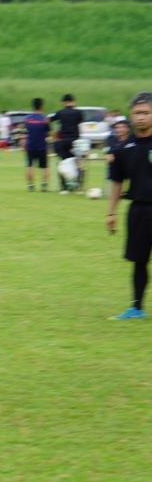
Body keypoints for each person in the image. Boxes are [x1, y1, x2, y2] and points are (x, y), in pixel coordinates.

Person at [107, 92, 152, 320]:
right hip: (139, 210)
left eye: (146, 112)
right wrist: (111, 213)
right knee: (139, 260)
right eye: (136, 113)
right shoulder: (123, 148)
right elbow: (117, 182)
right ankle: (136, 308)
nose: (140, 117)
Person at [50, 94, 84, 193]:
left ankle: (65, 187)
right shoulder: (78, 112)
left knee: (64, 164)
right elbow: (80, 122)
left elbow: (49, 120)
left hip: (64, 140)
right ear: (73, 102)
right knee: (77, 163)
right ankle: (78, 187)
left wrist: (53, 134)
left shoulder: (60, 112)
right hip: (76, 141)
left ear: (64, 103)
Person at [23, 99, 52, 192]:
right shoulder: (44, 119)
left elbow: (26, 132)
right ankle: (44, 186)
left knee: (29, 165)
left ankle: (31, 185)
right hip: (41, 146)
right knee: (44, 166)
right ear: (41, 106)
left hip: (30, 145)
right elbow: (48, 133)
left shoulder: (28, 119)